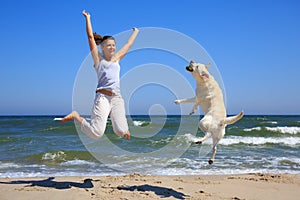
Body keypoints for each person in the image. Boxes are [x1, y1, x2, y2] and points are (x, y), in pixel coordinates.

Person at [61, 10, 139, 140]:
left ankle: (122, 127)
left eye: (114, 45)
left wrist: (136, 32)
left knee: (121, 132)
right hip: (102, 97)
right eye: (109, 45)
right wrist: (88, 18)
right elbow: (90, 37)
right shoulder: (98, 59)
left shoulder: (117, 59)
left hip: (117, 98)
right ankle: (76, 116)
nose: (112, 48)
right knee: (96, 133)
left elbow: (128, 45)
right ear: (102, 47)